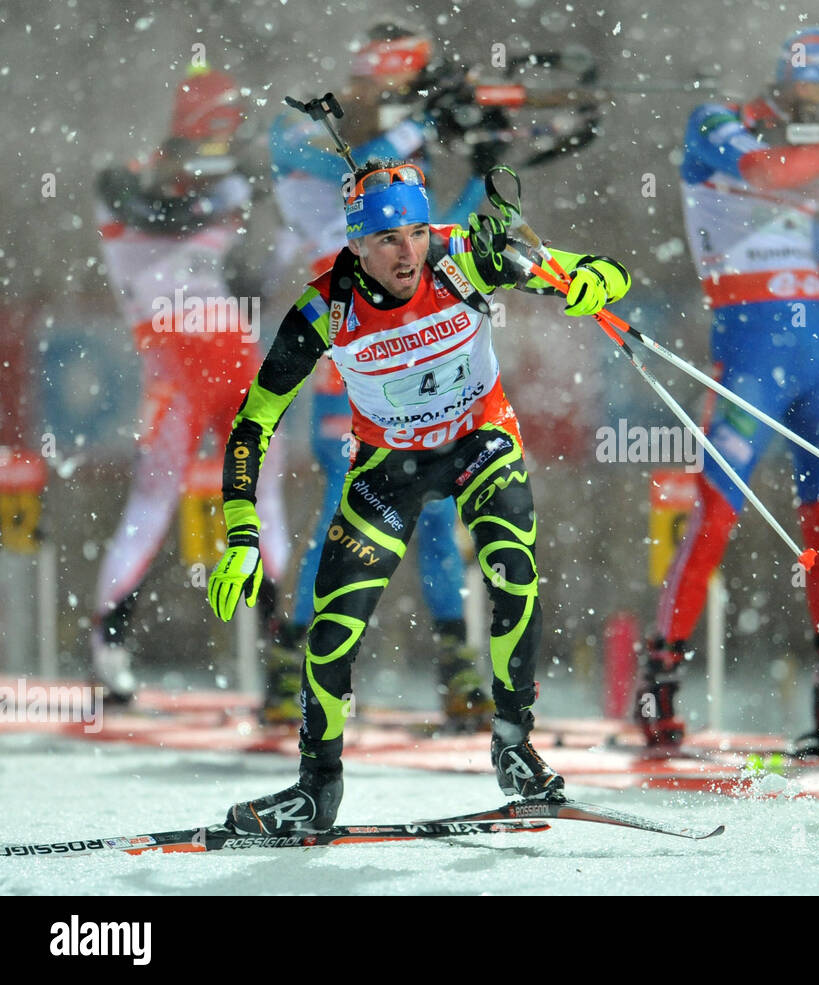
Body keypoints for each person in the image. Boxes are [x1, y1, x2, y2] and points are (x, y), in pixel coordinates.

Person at [208, 157, 630, 832]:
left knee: (513, 569)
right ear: (355, 245)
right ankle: (317, 786)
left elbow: (588, 268)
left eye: (413, 231)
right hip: (389, 465)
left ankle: (516, 745)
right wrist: (240, 533)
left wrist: (595, 278)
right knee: (334, 623)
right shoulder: (325, 307)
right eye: (386, 239)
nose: (407, 251)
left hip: (478, 439)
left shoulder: (462, 254)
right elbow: (252, 423)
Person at [636, 27, 819, 755]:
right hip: (749, 346)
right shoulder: (717, 120)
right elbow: (766, 168)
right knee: (716, 512)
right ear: (799, 84)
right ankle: (659, 678)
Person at [265, 22, 492, 729]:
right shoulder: (310, 135)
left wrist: (488, 167)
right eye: (396, 87)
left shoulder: (399, 147)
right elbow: (342, 171)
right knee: (347, 499)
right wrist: (418, 121)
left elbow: (430, 242)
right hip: (348, 350)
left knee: (436, 509)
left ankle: (457, 665)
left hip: (410, 350)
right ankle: (291, 663)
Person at [93, 66, 291, 703]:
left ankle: (283, 658)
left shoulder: (230, 182)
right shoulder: (123, 178)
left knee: (262, 505)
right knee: (152, 503)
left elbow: (250, 281)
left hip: (234, 354)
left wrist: (263, 197)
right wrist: (224, 182)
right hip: (173, 362)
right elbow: (158, 210)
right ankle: (110, 646)